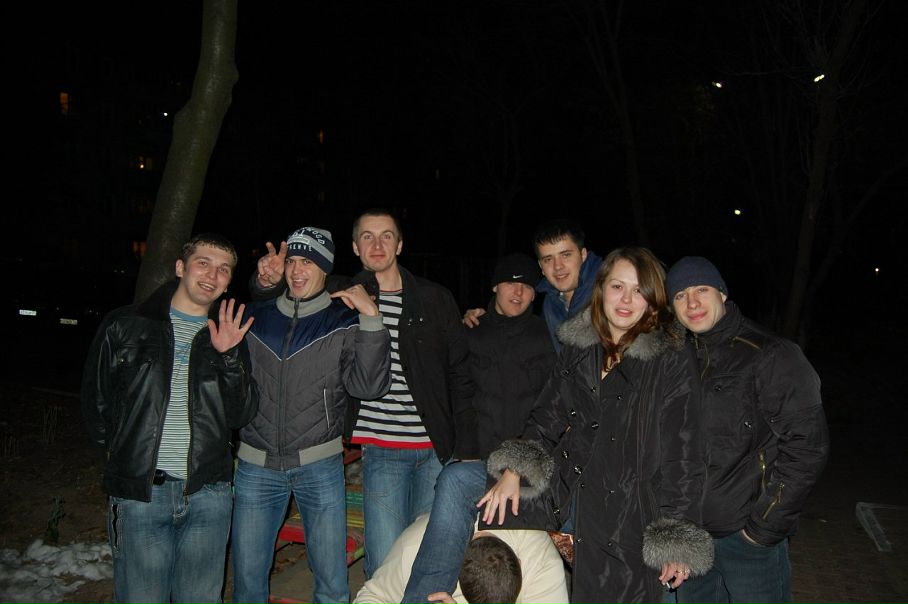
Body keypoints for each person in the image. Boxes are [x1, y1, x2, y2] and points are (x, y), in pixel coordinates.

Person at [478, 247, 714, 604]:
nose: (626, 300)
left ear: (653, 300)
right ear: (601, 289)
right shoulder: (581, 345)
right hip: (573, 487)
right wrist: (515, 468)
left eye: (639, 290)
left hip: (632, 507)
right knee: (469, 492)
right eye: (618, 287)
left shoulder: (670, 357)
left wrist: (677, 538)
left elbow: (684, 452)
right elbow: (548, 415)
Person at [81, 233, 259, 604]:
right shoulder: (125, 324)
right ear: (180, 267)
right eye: (203, 263)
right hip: (141, 494)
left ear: (229, 282)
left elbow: (242, 413)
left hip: (208, 493)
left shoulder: (229, 333)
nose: (212, 275)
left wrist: (228, 357)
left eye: (223, 269)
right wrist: (124, 459)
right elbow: (96, 404)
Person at [231, 226, 391, 604]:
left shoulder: (342, 320)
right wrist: (260, 282)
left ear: (325, 268)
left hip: (318, 466)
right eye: (293, 261)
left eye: (308, 262)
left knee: (331, 582)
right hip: (255, 465)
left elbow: (369, 387)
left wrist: (371, 319)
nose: (297, 270)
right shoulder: (255, 316)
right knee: (248, 580)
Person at [665, 256, 830, 604]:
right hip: (693, 540)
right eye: (680, 295)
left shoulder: (771, 354)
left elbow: (807, 446)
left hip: (747, 541)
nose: (692, 303)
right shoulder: (678, 358)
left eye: (701, 289)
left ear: (722, 293)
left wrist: (762, 528)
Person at [401, 253, 556, 603]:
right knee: (453, 481)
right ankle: (424, 597)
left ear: (535, 294)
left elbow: (555, 410)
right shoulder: (471, 332)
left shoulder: (546, 335)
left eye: (527, 286)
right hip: (482, 463)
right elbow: (455, 392)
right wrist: (466, 453)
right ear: (495, 287)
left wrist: (525, 464)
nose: (518, 291)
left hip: (534, 465)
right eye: (510, 283)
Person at [341, 208, 472, 578]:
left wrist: (466, 447)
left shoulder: (434, 298)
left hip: (435, 450)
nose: (377, 244)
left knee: (429, 558)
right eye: (367, 236)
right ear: (355, 247)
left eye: (386, 236)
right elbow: (297, 294)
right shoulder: (344, 301)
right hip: (382, 450)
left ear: (399, 245)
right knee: (384, 563)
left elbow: (460, 372)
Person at [353, 513, 569, 604]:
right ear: (455, 573)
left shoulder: (539, 556)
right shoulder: (416, 549)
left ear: (520, 564)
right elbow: (370, 598)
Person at [463, 219, 603, 351]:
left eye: (565, 255)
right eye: (548, 259)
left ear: (583, 255)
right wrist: (487, 321)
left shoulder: (607, 295)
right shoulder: (550, 304)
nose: (558, 266)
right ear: (541, 266)